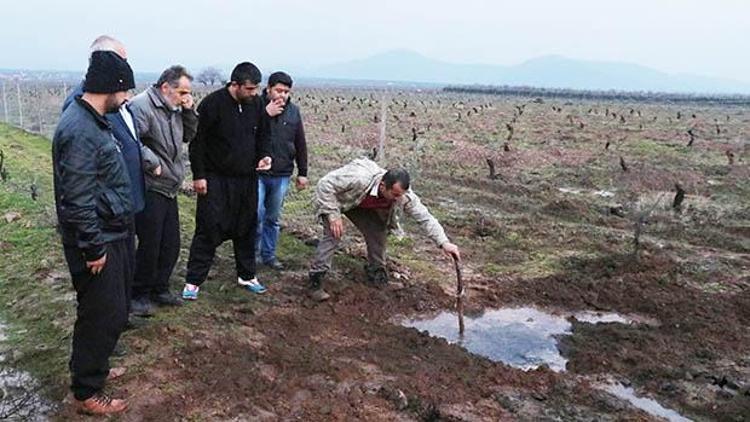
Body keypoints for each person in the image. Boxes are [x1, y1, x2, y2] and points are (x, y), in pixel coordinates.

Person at [53, 51, 135, 415]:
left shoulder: (94, 120)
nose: (128, 98)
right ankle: (87, 391)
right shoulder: (80, 130)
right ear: (112, 87)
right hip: (98, 239)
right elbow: (78, 199)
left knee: (112, 311)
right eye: (126, 90)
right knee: (101, 313)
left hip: (111, 232)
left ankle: (94, 365)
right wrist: (93, 248)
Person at [62, 35, 159, 323]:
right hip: (103, 215)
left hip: (120, 207)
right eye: (120, 60)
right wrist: (92, 243)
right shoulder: (82, 108)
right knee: (99, 294)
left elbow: (128, 142)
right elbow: (79, 190)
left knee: (119, 280)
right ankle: (103, 338)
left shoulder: (112, 103)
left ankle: (118, 319)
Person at [182, 62, 280, 300]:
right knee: (208, 227)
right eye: (249, 88)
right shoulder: (212, 105)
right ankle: (193, 281)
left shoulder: (256, 104)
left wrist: (264, 155)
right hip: (216, 179)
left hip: (246, 179)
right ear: (234, 84)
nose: (254, 93)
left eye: (256, 88)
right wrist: (199, 175)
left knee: (247, 226)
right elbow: (198, 143)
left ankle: (246, 275)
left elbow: (264, 134)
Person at [308, 158, 460, 301]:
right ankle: (316, 281)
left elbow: (425, 217)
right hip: (339, 199)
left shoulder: (403, 196)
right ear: (382, 186)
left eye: (400, 195)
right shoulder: (359, 178)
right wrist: (333, 215)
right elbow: (325, 184)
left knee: (378, 231)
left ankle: (376, 275)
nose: (397, 199)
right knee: (334, 234)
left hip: (362, 204)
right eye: (394, 195)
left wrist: (444, 242)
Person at [128, 66, 198, 315]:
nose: (185, 97)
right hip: (151, 185)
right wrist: (152, 162)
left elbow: (189, 136)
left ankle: (160, 288)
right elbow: (129, 140)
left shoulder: (176, 108)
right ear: (166, 87)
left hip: (170, 185)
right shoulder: (141, 106)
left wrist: (190, 111)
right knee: (151, 242)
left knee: (171, 243)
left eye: (188, 92)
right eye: (182, 92)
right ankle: (138, 294)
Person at [256, 71, 308, 270]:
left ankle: (269, 255)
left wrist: (302, 172)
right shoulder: (256, 107)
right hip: (257, 173)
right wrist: (265, 115)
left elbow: (300, 143)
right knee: (256, 214)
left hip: (282, 173)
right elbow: (247, 132)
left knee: (272, 217)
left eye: (286, 91)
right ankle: (251, 255)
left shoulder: (293, 112)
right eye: (278, 90)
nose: (282, 95)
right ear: (268, 89)